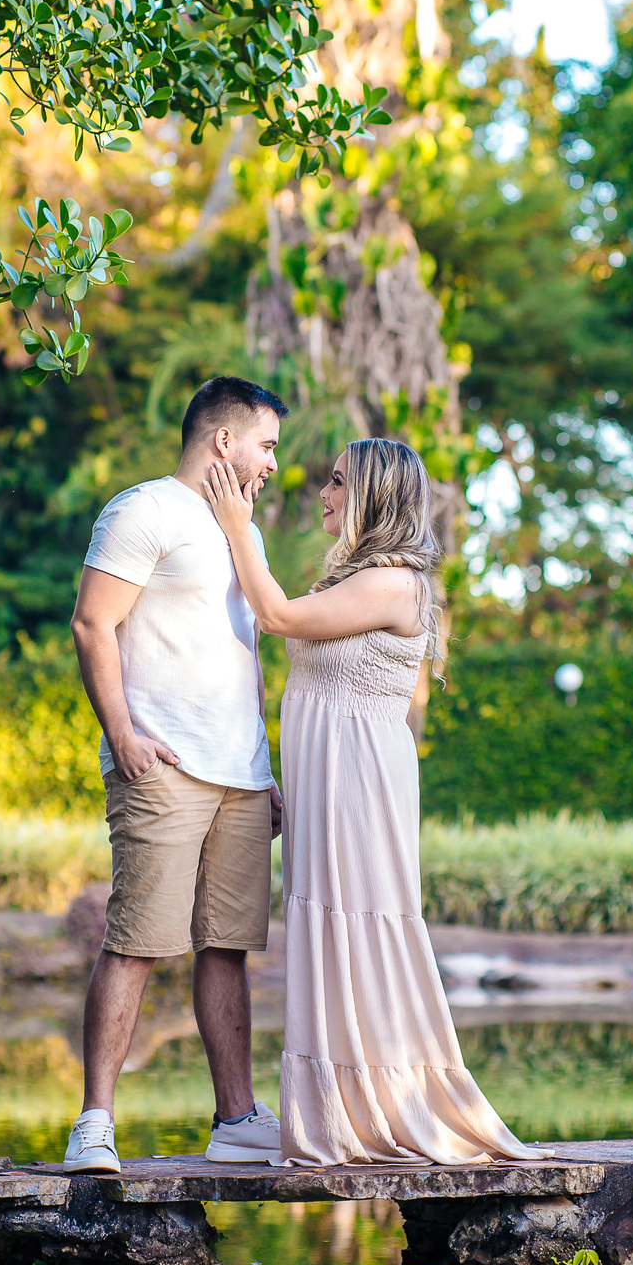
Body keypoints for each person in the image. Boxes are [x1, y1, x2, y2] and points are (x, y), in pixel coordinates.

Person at [204, 437, 547, 1167]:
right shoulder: (358, 580)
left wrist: (237, 524)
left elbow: (276, 616)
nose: (324, 494)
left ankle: (393, 1103)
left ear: (373, 495)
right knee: (332, 930)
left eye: (337, 482)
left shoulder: (394, 583)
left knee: (365, 925)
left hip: (360, 780)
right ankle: (344, 1109)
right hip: (329, 780)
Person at [63, 376, 289, 1173]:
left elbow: (247, 652)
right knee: (135, 943)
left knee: (225, 948)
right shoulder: (144, 510)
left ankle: (236, 1119)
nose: (272, 463)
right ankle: (94, 1124)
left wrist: (264, 768)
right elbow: (92, 622)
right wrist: (121, 734)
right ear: (223, 439)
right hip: (163, 765)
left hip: (239, 776)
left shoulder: (243, 530)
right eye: (266, 445)